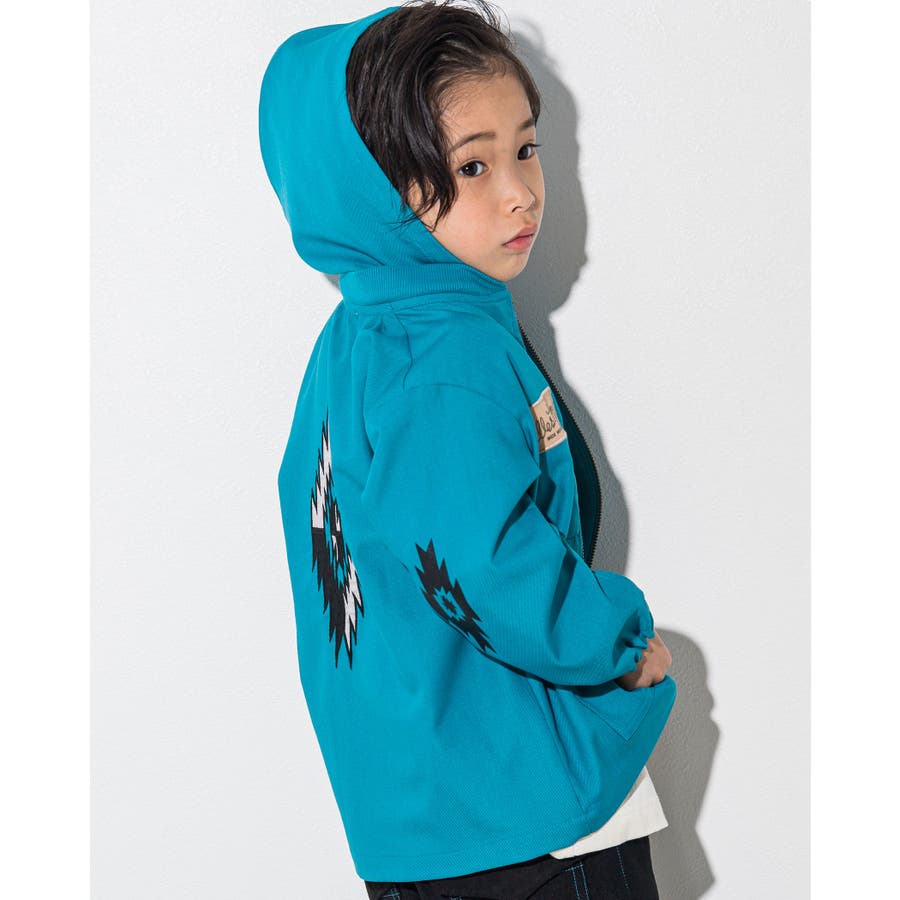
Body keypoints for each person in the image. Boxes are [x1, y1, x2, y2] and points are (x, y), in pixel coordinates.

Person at [258, 2, 676, 897]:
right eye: (472, 165)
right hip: (526, 811)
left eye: (527, 149)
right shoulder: (443, 354)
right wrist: (618, 641)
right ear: (373, 188)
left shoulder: (358, 341)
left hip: (417, 820)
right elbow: (484, 560)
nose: (521, 192)